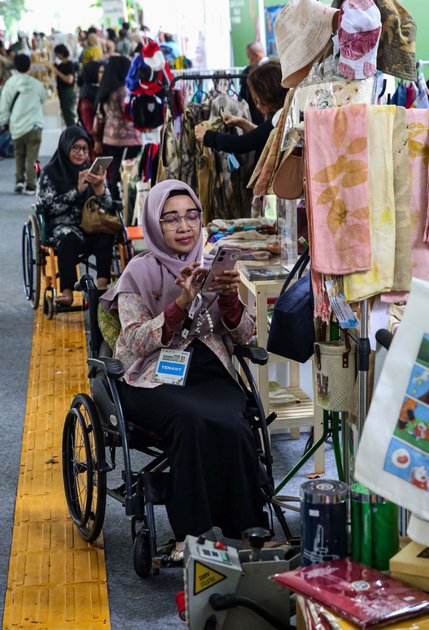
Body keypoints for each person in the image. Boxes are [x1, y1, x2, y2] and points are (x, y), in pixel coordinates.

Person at [100, 179, 265, 561]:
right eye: (171, 219)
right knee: (191, 421)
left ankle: (246, 525)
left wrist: (228, 298)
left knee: (236, 421)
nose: (184, 226)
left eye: (191, 216)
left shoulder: (215, 265)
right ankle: (189, 534)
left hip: (208, 370)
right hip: (152, 375)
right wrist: (181, 302)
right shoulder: (138, 273)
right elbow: (135, 342)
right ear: (155, 226)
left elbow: (244, 335)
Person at [37, 126, 114, 306]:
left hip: (90, 224)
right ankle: (67, 292)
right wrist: (76, 191)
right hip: (62, 225)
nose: (81, 153)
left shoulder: (92, 171)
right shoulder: (50, 173)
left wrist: (100, 188)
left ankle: (102, 286)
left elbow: (109, 205)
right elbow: (46, 208)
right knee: (69, 238)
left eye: (85, 149)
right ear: (66, 147)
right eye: (76, 148)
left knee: (106, 234)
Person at [194, 60, 287, 164]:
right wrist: (243, 123)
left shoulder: (280, 117)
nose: (257, 105)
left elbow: (242, 143)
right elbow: (264, 134)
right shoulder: (285, 113)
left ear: (268, 95)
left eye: (257, 98)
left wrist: (207, 136)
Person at [94, 55, 142, 200]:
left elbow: (100, 115)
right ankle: (125, 202)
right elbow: (129, 114)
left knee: (115, 170)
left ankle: (114, 200)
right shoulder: (123, 89)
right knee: (128, 171)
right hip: (127, 138)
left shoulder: (105, 88)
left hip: (110, 137)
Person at [0, 53, 46, 193]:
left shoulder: (10, 84)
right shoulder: (37, 84)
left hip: (17, 127)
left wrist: (4, 123)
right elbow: (43, 100)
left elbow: (4, 106)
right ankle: (32, 184)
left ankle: (19, 181)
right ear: (29, 66)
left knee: (19, 155)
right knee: (34, 158)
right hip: (34, 126)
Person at [77, 60, 104, 157]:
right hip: (93, 140)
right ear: (92, 72)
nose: (103, 75)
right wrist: (96, 139)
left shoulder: (97, 89)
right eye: (100, 72)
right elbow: (88, 119)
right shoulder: (87, 94)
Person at [240, 41, 269, 125]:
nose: (249, 62)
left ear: (256, 55)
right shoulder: (276, 68)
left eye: (249, 57)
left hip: (258, 117)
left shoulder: (254, 73)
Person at [51, 44, 77, 127]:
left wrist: (57, 72)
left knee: (68, 114)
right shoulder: (61, 64)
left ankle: (73, 131)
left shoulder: (69, 64)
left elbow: (69, 80)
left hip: (67, 91)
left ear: (61, 53)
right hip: (62, 91)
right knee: (66, 113)